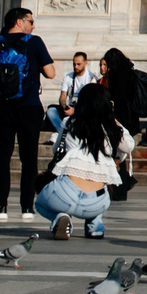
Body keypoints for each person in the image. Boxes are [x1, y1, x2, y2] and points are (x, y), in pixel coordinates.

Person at [0, 7, 54, 219]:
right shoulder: (34, 42)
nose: (33, 25)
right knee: (29, 158)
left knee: (1, 158)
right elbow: (50, 73)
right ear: (20, 22)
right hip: (29, 106)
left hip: (2, 109)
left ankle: (0, 207)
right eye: (31, 21)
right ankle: (27, 208)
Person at [37, 81, 132, 239]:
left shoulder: (69, 123)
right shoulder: (110, 128)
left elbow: (56, 150)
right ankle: (95, 227)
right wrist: (113, 120)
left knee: (40, 202)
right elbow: (129, 146)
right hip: (98, 202)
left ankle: (60, 218)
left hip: (65, 195)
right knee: (99, 184)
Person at [50, 50, 96, 137]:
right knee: (51, 112)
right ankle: (64, 132)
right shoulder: (68, 77)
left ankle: (64, 132)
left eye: (79, 64)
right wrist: (65, 107)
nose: (76, 67)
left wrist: (75, 111)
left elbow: (91, 103)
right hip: (70, 107)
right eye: (74, 64)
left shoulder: (91, 78)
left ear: (85, 63)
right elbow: (62, 97)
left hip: (83, 110)